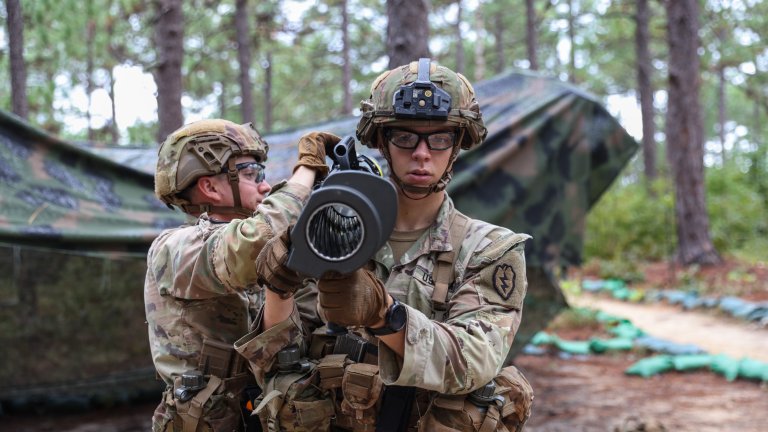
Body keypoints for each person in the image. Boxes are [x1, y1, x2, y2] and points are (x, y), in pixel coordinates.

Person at [236, 59, 534, 431]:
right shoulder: (335, 233)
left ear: (457, 144)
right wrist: (278, 289)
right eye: (405, 137)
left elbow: (473, 362)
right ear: (382, 140)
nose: (422, 153)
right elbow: (279, 363)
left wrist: (382, 314)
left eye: (439, 138)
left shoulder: (489, 249)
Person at [145, 118, 338, 432]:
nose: (264, 185)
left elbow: (302, 326)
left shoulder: (272, 247)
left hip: (266, 413)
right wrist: (307, 172)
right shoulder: (175, 250)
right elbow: (254, 241)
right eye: (251, 174)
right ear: (210, 187)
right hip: (206, 421)